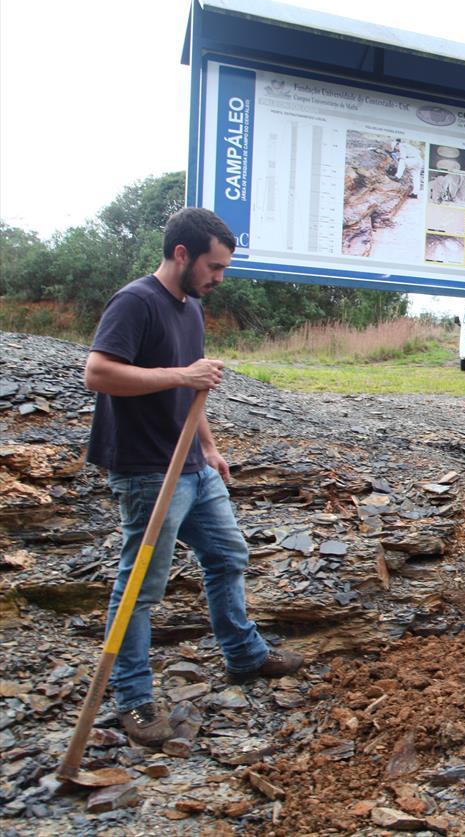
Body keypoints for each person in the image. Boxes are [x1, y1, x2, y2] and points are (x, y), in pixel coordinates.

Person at [84, 207, 303, 747]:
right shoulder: (136, 302)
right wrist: (182, 374)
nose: (219, 277)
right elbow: (98, 373)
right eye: (214, 265)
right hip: (146, 472)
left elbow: (192, 390)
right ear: (182, 254)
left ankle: (244, 655)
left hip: (193, 465)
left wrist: (210, 447)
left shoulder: (191, 309)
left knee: (228, 554)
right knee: (139, 588)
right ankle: (133, 699)